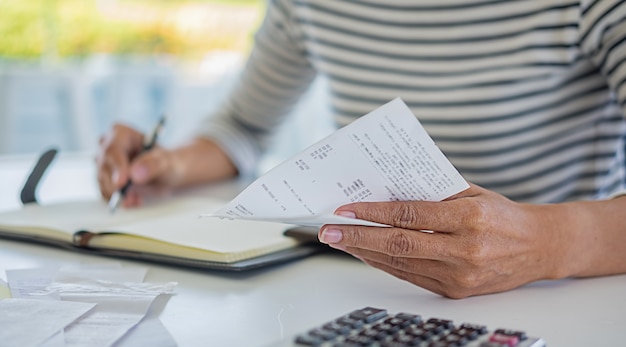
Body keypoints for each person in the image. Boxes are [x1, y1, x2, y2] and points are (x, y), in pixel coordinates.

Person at [97, 0, 626, 298]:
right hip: (369, 291)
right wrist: (172, 163)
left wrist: (549, 242)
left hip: (561, 296)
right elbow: (243, 124)